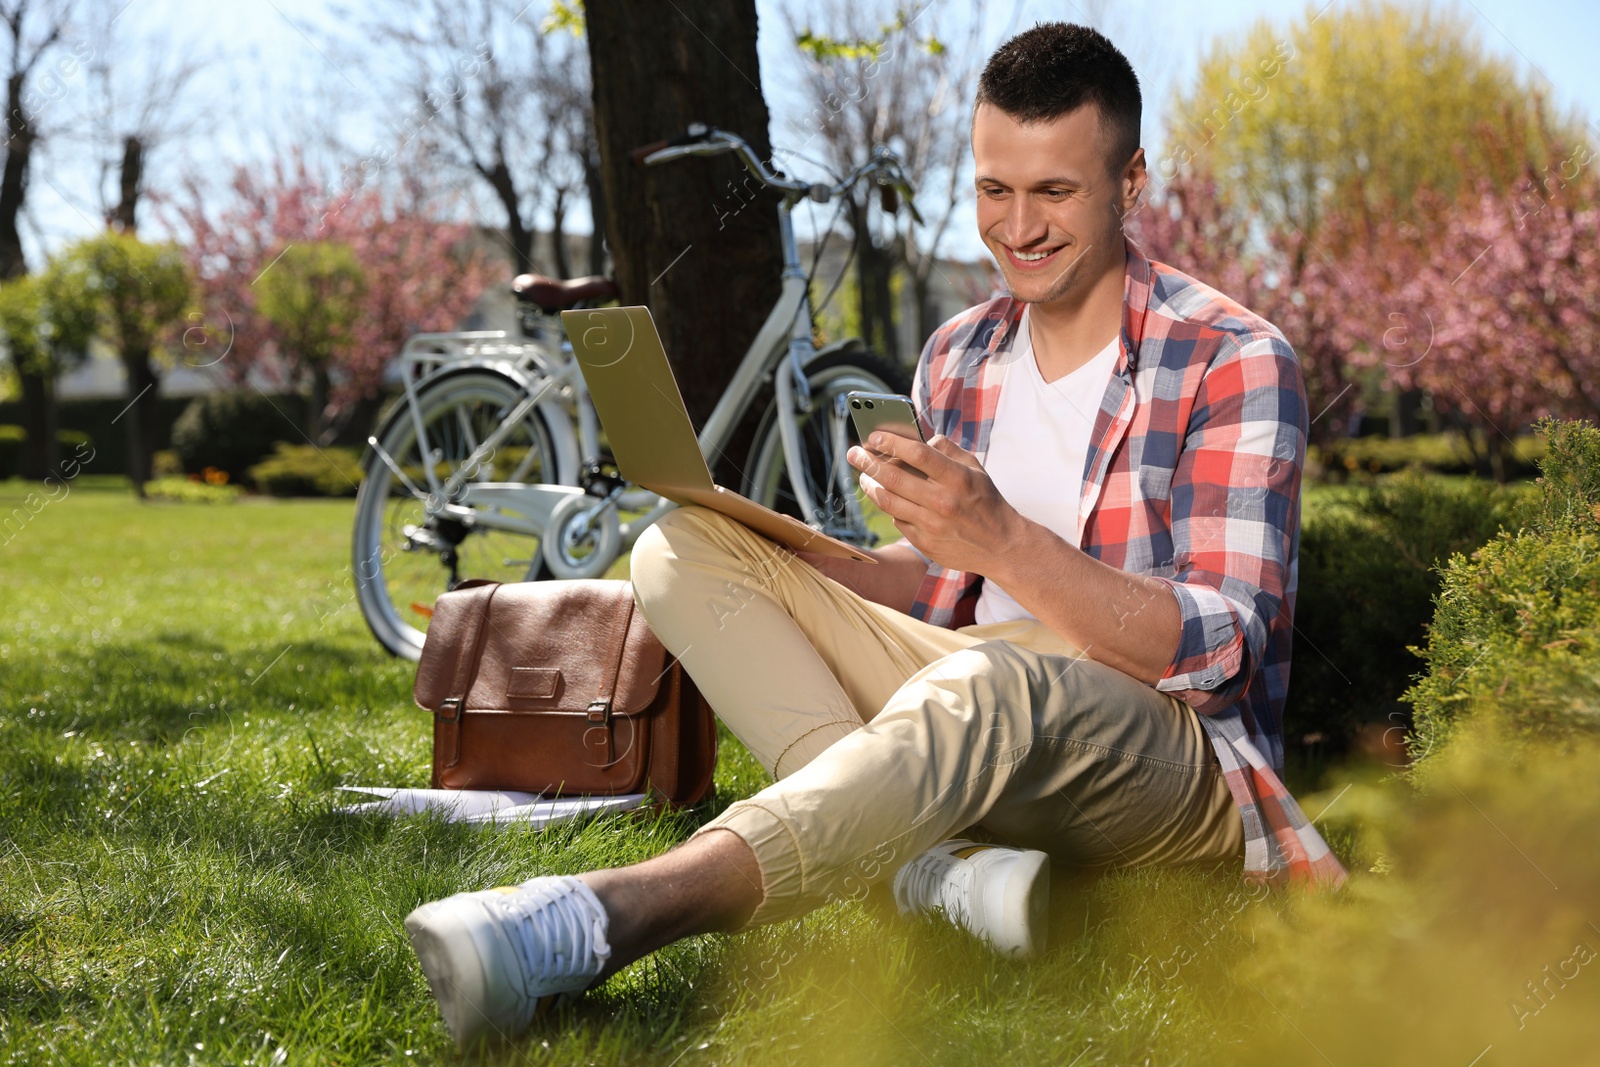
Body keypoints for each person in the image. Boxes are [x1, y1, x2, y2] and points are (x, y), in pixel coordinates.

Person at [403, 22, 1347, 1049]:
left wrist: (1003, 539)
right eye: (995, 190)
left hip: (1169, 751)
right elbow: (943, 582)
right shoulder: (963, 350)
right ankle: (920, 864)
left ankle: (592, 919)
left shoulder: (1234, 359)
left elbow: (1218, 645)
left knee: (982, 685)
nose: (1018, 227)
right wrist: (824, 563)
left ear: (1130, 182)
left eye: (1055, 192)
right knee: (680, 546)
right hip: (976, 682)